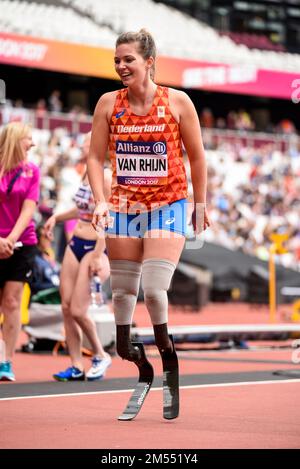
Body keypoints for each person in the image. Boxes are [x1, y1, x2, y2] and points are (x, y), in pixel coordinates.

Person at [87, 29, 209, 418]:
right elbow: (94, 159)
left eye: (129, 60)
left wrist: (200, 205)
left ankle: (168, 357)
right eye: (117, 60)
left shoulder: (177, 101)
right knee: (122, 297)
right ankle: (138, 363)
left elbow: (198, 157)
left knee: (155, 290)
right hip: (123, 207)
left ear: (149, 62)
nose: (121, 66)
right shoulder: (108, 104)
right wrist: (102, 201)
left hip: (166, 206)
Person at [44, 133, 112, 381]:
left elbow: (108, 216)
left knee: (78, 310)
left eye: (87, 141)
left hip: (95, 246)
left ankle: (100, 354)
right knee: (65, 307)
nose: (82, 144)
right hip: (76, 242)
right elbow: (83, 209)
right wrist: (56, 218)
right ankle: (75, 364)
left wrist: (97, 254)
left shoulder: (105, 175)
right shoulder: (87, 172)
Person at [0, 122, 40, 382]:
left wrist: (10, 240)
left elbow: (29, 208)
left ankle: (6, 361)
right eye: (28, 139)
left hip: (21, 243)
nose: (33, 143)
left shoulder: (31, 170)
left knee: (12, 302)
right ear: (15, 140)